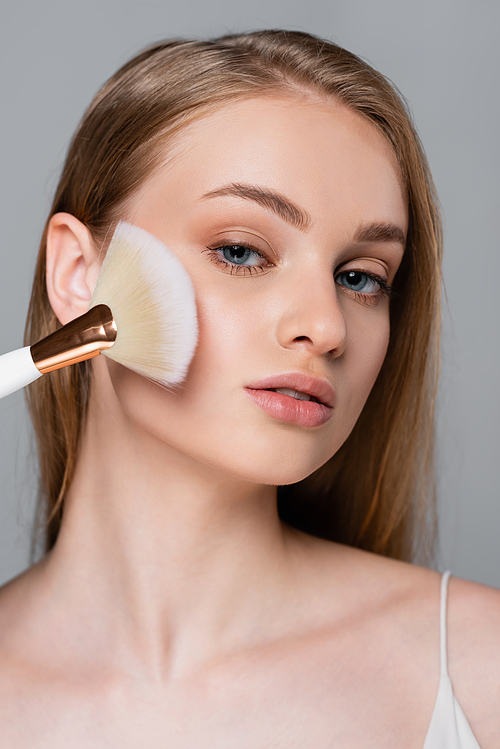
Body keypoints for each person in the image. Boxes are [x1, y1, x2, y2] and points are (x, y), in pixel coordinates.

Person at [0, 30, 498, 747]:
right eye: (241, 251)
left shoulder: (481, 675)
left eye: (361, 277)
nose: (326, 327)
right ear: (80, 275)